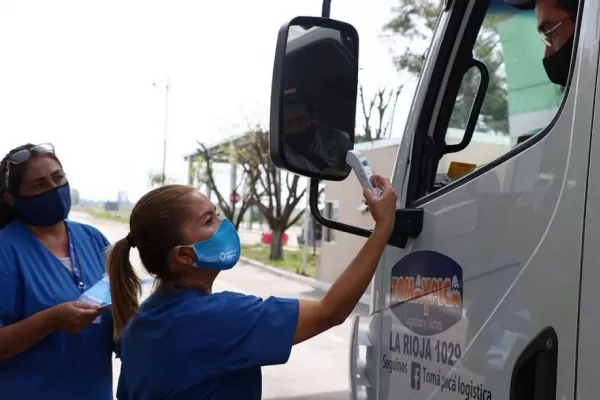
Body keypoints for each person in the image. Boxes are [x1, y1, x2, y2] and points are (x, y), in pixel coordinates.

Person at [109, 178, 396, 399]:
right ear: (184, 256)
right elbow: (329, 311)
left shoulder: (138, 325)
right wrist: (383, 226)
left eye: (217, 213)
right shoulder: (219, 318)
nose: (224, 224)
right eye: (209, 221)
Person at [0, 143, 115, 400]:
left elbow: (119, 303)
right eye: (39, 185)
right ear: (11, 199)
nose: (53, 189)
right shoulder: (5, 250)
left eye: (57, 178)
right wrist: (49, 321)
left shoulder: (94, 239)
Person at [282, 88, 353, 175]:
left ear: (312, 118)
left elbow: (354, 167)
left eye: (301, 120)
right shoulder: (282, 152)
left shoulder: (335, 139)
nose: (295, 128)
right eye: (288, 123)